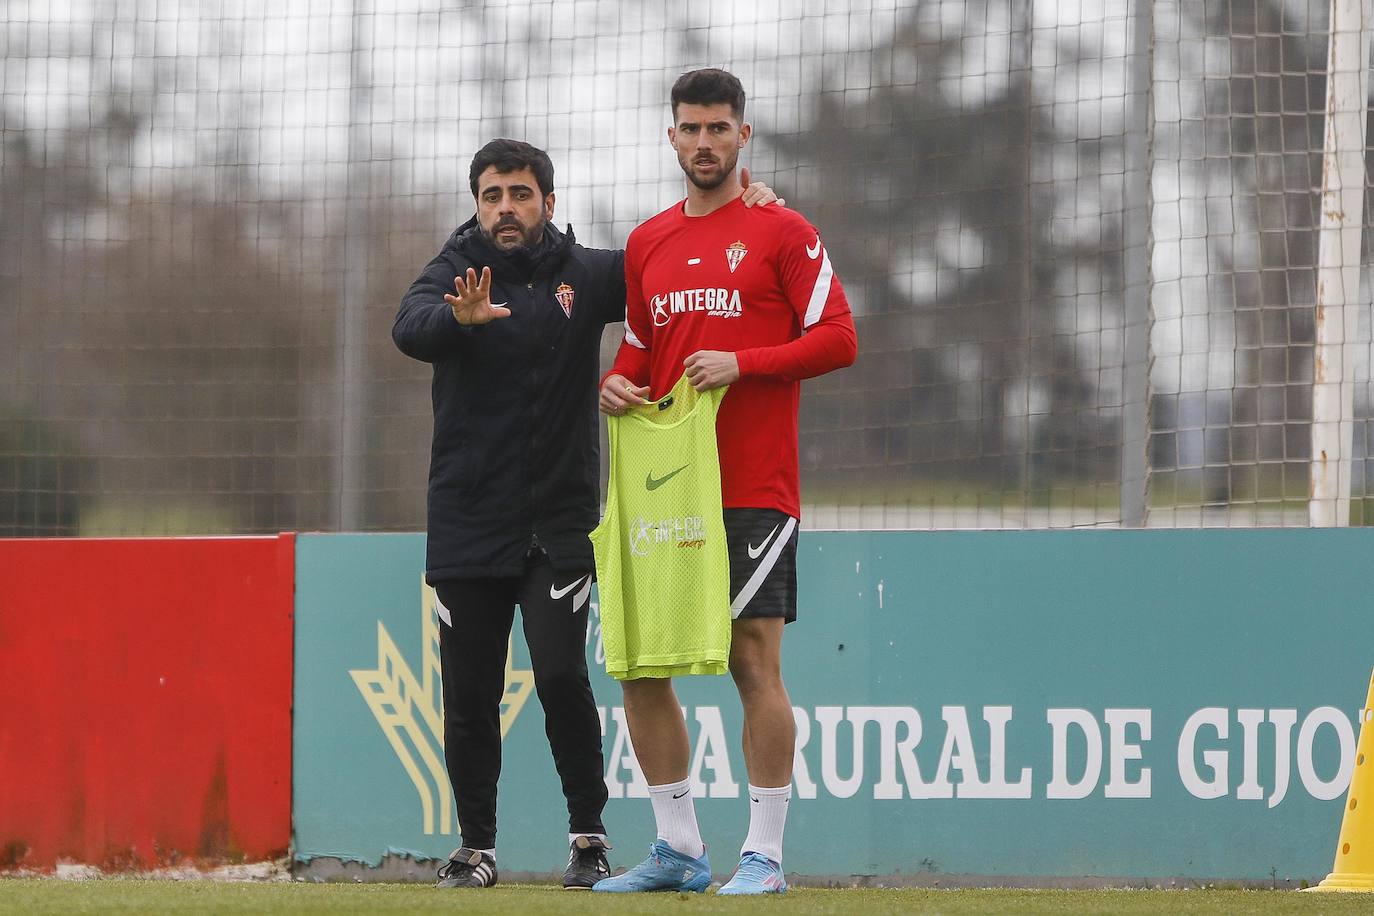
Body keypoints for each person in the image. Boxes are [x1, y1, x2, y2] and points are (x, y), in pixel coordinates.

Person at [391, 138, 779, 890]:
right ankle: (476, 847)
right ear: (476, 204)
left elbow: (672, 268)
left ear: (549, 203)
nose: (506, 208)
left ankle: (589, 837)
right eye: (493, 195)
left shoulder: (589, 273)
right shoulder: (456, 270)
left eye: (521, 194)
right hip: (469, 520)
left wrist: (747, 214)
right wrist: (458, 322)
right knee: (470, 691)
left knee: (563, 676)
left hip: (562, 521)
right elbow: (408, 327)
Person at [592, 69, 858, 896]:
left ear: (744, 136)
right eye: (689, 129)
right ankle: (676, 849)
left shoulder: (782, 231)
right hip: (668, 488)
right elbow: (643, 350)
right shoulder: (647, 244)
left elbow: (840, 337)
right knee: (639, 666)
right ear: (669, 137)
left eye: (718, 128)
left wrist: (744, 363)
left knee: (752, 663)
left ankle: (765, 857)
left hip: (751, 483)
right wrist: (617, 381)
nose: (703, 142)